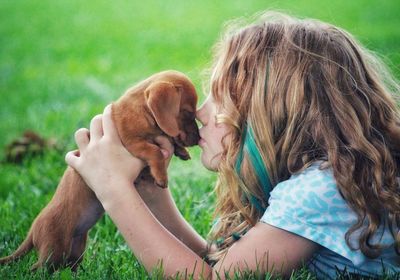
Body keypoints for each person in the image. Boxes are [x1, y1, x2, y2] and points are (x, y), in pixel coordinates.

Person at [65, 11, 400, 279]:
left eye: (219, 99)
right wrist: (154, 196)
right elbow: (218, 267)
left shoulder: (318, 192)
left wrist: (113, 189)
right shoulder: (319, 179)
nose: (200, 113)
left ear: (269, 116)